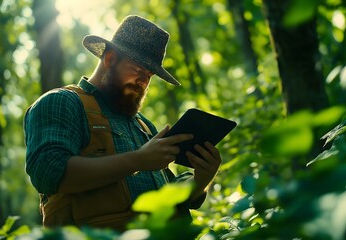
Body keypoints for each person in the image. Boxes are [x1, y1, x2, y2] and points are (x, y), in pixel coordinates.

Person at [23, 15, 222, 231]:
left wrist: (200, 181)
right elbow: (49, 173)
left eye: (149, 75)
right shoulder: (62, 102)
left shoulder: (143, 126)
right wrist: (137, 160)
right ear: (109, 59)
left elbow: (166, 193)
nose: (143, 82)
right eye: (138, 70)